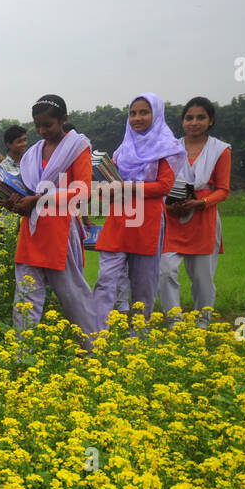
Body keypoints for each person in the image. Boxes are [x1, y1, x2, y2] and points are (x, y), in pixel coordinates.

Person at [5, 95, 97, 345]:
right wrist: (15, 201)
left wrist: (39, 199)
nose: (42, 131)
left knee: (73, 297)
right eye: (37, 125)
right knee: (25, 298)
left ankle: (94, 349)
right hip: (32, 230)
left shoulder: (77, 147)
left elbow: (83, 192)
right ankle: (22, 354)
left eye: (48, 125)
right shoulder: (33, 153)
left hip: (60, 230)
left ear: (63, 119)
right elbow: (28, 190)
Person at [91, 92, 183, 331]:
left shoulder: (167, 148)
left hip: (147, 221)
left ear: (157, 114)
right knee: (106, 279)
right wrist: (103, 190)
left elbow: (164, 186)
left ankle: (138, 336)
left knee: (144, 284)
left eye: (144, 112)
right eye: (133, 113)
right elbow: (109, 183)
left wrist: (127, 187)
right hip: (118, 220)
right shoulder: (122, 151)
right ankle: (96, 336)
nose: (137, 118)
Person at [159, 96, 231, 325]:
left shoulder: (220, 150)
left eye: (201, 117)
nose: (194, 122)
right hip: (173, 216)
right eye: (189, 118)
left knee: (202, 278)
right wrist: (169, 204)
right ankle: (174, 323)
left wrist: (201, 203)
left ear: (211, 121)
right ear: (182, 121)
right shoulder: (171, 149)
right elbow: (163, 183)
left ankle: (202, 324)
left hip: (203, 217)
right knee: (165, 271)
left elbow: (223, 190)